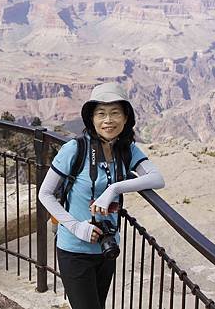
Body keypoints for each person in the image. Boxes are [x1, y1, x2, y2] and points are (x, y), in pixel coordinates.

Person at [38, 82, 165, 309]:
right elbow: (45, 194)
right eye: (101, 113)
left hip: (107, 248)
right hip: (74, 249)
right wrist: (77, 227)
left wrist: (114, 189)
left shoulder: (126, 149)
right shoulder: (75, 150)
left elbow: (157, 179)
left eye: (115, 112)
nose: (108, 120)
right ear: (92, 119)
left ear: (126, 118)